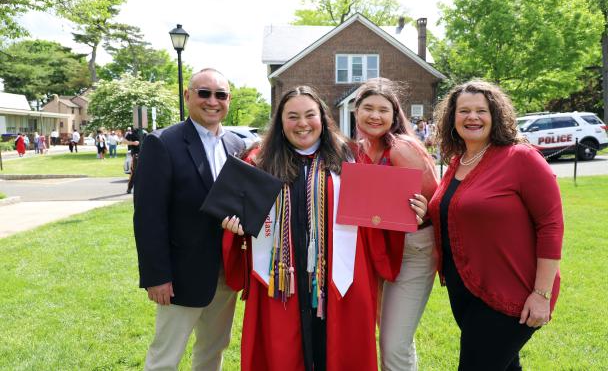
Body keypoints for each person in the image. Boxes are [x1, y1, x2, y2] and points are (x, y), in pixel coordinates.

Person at [221, 85, 427, 371]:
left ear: (322, 117)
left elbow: (377, 216)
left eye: (309, 115)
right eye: (292, 116)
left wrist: (406, 214)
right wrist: (235, 227)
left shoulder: (351, 158)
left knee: (340, 350)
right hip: (280, 280)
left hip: (341, 280)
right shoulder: (258, 161)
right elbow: (239, 218)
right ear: (280, 121)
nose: (302, 124)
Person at [428, 80, 563, 370]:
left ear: (495, 115)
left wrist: (541, 294)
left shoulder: (520, 158)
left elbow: (551, 225)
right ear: (453, 118)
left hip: (511, 293)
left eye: (481, 110)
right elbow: (453, 214)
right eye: (464, 111)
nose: (472, 117)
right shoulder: (458, 162)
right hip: (465, 290)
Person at [133, 68, 245, 370]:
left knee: (214, 348)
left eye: (220, 95)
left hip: (225, 271)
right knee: (166, 356)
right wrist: (156, 276)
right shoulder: (162, 143)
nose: (212, 101)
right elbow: (148, 217)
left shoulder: (236, 145)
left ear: (229, 100)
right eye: (204, 93)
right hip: (181, 274)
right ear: (187, 95)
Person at [352, 78, 438, 371]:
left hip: (411, 249)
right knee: (388, 332)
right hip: (375, 247)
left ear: (394, 115)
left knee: (394, 341)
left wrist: (422, 209)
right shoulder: (359, 150)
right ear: (356, 111)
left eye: (383, 110)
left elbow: (434, 201)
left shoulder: (402, 148)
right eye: (368, 108)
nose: (375, 116)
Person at [124, 127, 140, 194]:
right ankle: (129, 188)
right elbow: (124, 141)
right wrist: (133, 143)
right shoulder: (132, 133)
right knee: (134, 172)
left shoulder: (145, 133)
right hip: (136, 155)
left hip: (144, 154)